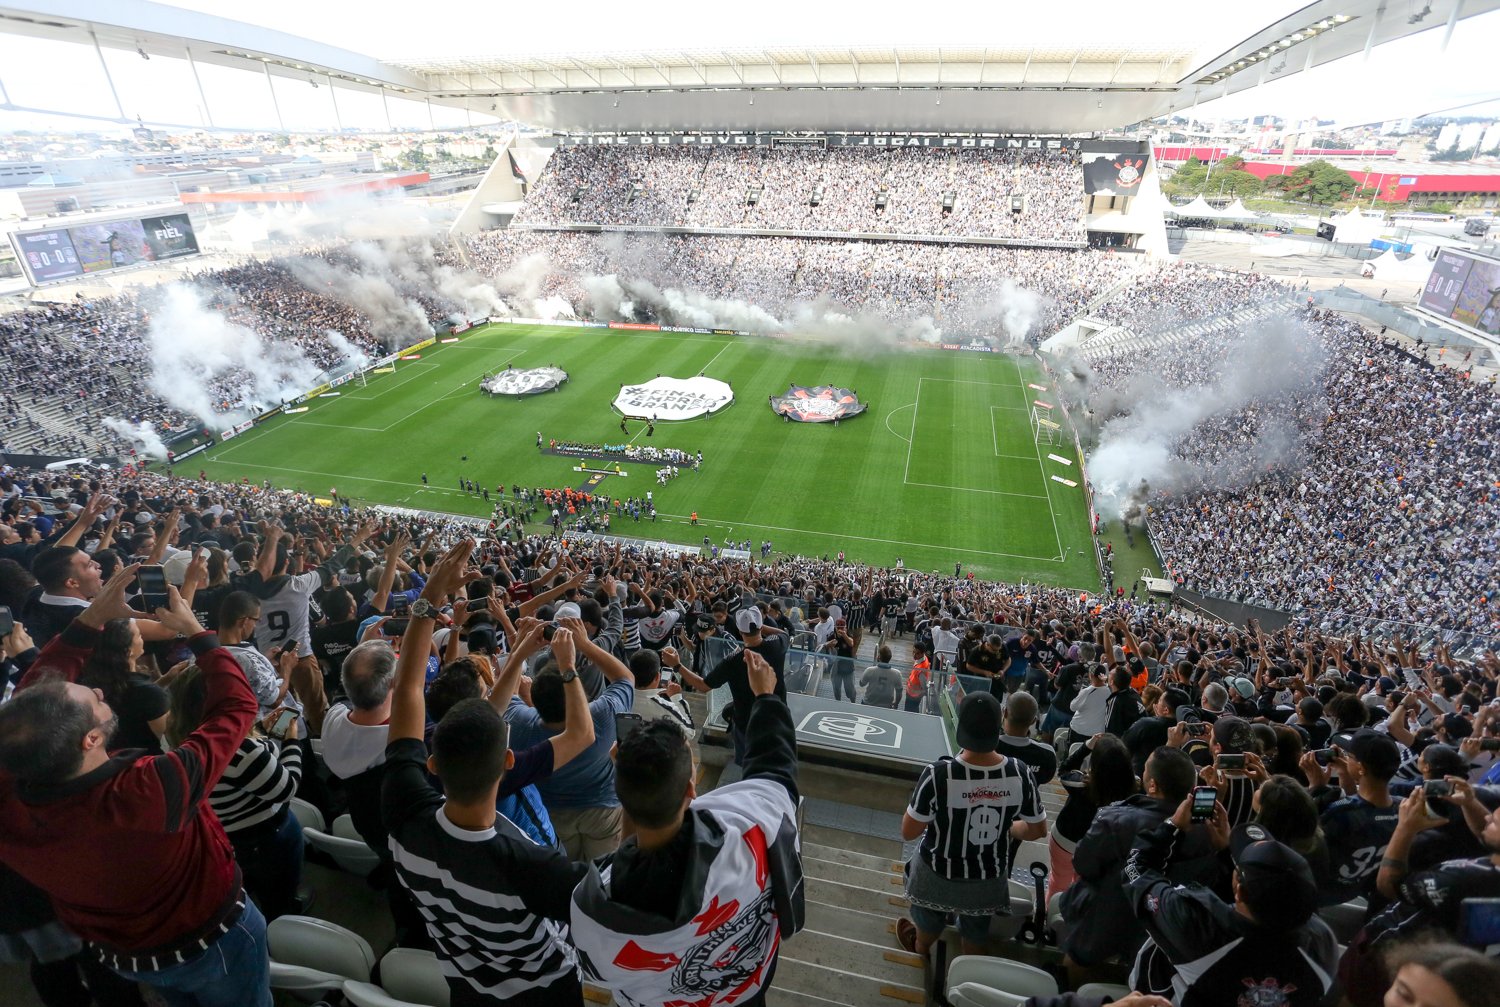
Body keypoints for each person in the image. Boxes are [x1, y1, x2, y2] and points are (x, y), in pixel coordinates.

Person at [0, 566, 270, 1006]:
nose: (101, 693)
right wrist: (198, 633)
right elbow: (237, 707)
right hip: (211, 941)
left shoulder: (10, 791)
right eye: (93, 700)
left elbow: (31, 705)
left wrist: (89, 622)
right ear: (90, 739)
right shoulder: (149, 790)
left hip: (123, 953)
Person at [382, 540, 590, 1007]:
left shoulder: (405, 809)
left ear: (432, 762)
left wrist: (431, 598)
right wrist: (568, 668)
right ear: (508, 763)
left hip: (466, 984)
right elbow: (410, 687)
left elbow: (409, 687)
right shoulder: (535, 866)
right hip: (545, 992)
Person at [570, 646, 802, 1007]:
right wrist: (766, 698)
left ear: (621, 795)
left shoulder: (594, 903)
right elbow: (775, 775)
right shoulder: (745, 841)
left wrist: (628, 782)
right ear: (691, 789)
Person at [1123, 797, 1339, 1005]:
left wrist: (1172, 825)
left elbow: (1136, 872)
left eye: (1238, 867)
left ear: (1239, 891)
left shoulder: (1199, 928)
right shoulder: (1323, 944)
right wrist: (1227, 854)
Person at [896, 692, 1048, 957]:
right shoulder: (1020, 772)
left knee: (928, 914)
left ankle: (921, 946)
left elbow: (908, 832)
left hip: (937, 875)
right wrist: (1010, 827)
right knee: (976, 926)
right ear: (999, 720)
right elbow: (1037, 829)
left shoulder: (938, 774)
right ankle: (969, 964)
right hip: (988, 879)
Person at [164, 663, 305, 920]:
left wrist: (260, 730)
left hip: (229, 835)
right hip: (267, 839)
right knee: (278, 894)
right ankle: (282, 917)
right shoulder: (240, 751)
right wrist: (291, 741)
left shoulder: (176, 738)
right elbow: (287, 787)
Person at [1059, 746, 1212, 970]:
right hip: (1167, 933)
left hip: (1103, 924)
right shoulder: (1208, 831)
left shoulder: (1115, 819)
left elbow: (1083, 863)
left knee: (1075, 960)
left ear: (1152, 785)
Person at [506, 614, 635, 861]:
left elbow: (506, 692)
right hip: (602, 810)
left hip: (551, 811)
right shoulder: (602, 716)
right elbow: (625, 678)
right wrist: (583, 644)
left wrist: (521, 649)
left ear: (533, 700)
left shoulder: (519, 722)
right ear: (580, 693)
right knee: (602, 870)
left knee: (567, 870)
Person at [685, 606, 788, 767]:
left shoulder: (732, 660)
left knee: (747, 765)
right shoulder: (776, 646)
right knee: (775, 763)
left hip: (746, 724)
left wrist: (677, 665)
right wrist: (759, 626)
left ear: (739, 632)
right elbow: (783, 633)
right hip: (776, 718)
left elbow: (703, 685)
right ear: (761, 626)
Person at [859, 645, 903, 709]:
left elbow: (861, 684)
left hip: (868, 703)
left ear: (879, 657)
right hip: (886, 706)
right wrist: (896, 703)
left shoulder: (870, 670)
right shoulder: (897, 673)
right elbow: (899, 692)